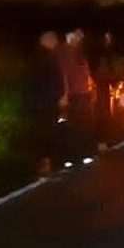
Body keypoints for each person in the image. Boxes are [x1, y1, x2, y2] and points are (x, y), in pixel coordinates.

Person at [28, 31, 65, 176]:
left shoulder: (44, 57)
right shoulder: (44, 58)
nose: (56, 43)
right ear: (47, 41)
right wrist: (57, 95)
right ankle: (45, 165)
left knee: (48, 134)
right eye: (54, 40)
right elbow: (46, 81)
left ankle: (48, 163)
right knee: (46, 134)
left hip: (45, 102)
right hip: (45, 103)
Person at [58, 28, 97, 167]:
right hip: (74, 95)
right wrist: (64, 95)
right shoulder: (66, 53)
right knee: (74, 127)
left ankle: (84, 154)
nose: (80, 40)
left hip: (83, 94)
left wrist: (91, 89)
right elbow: (64, 75)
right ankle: (73, 157)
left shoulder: (78, 53)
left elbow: (85, 73)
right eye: (77, 37)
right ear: (71, 37)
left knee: (84, 125)